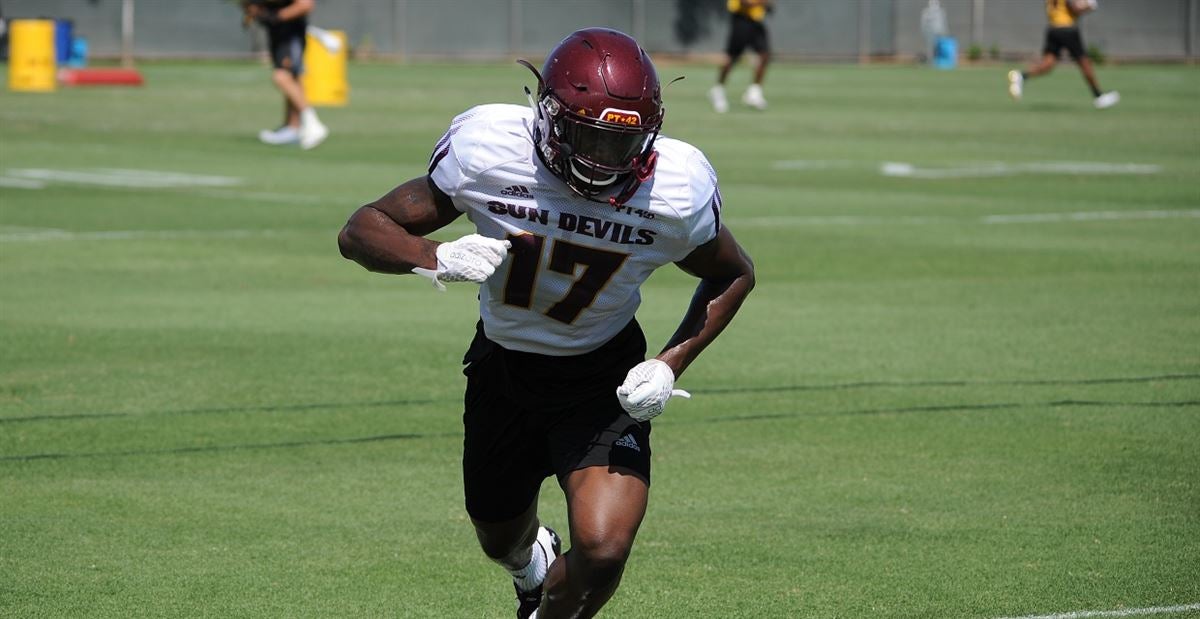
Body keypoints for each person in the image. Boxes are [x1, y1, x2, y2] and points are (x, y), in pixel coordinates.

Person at [338, 28, 755, 619]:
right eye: (591, 136)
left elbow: (733, 273)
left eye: (623, 142)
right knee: (497, 535)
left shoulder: (675, 189)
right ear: (550, 118)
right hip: (504, 369)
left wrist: (669, 362)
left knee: (604, 549)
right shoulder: (491, 151)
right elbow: (359, 231)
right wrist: (436, 257)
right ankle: (532, 563)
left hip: (602, 378)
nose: (605, 159)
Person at [242, 0, 329, 148]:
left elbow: (305, 4)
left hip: (291, 34)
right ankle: (292, 128)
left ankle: (313, 123)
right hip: (278, 34)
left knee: (281, 77)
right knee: (293, 79)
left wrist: (277, 16)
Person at [1007, 0, 1120, 109]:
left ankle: (1022, 76)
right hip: (1067, 29)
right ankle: (1099, 96)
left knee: (1048, 64)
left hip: (1053, 29)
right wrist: (1090, 5)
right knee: (1084, 62)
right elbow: (1074, 7)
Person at [708, 0, 773, 112]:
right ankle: (718, 89)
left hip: (756, 21)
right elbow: (746, 2)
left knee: (765, 55)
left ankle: (754, 92)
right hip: (741, 20)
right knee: (733, 58)